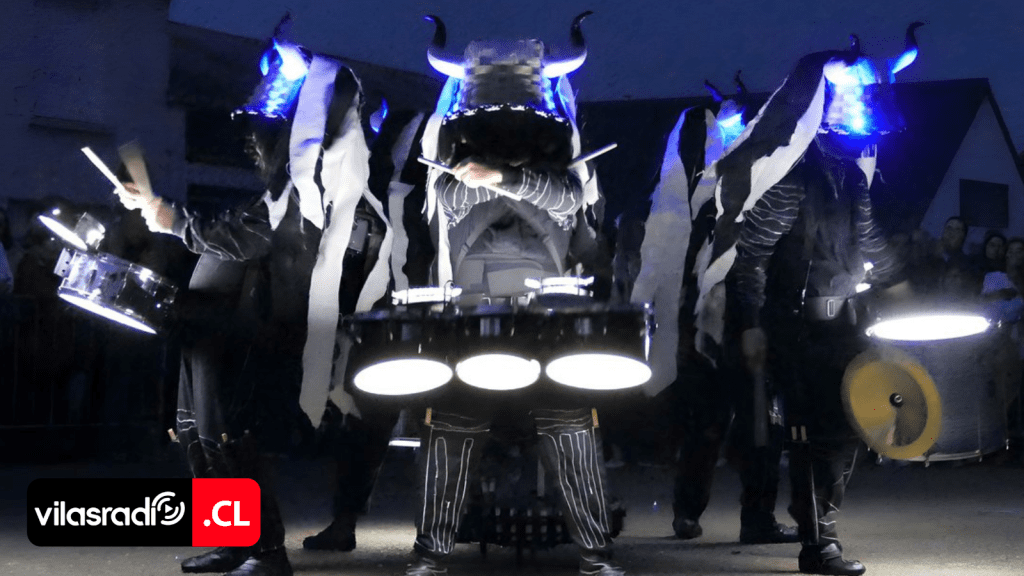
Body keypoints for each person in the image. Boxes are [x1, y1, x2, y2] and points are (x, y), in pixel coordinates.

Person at [116, 32, 394, 576]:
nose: (252, 141)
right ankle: (231, 542)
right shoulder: (287, 188)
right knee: (198, 434)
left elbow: (250, 236)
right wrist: (167, 216)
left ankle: (265, 551)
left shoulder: (318, 189)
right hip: (210, 326)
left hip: (247, 333)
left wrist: (174, 220)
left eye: (263, 130)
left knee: (230, 439)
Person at [689, 24, 924, 575]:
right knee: (813, 435)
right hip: (795, 332)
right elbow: (752, 258)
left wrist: (904, 294)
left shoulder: (852, 179)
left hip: (844, 328)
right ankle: (820, 545)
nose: (868, 137)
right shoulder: (791, 180)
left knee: (848, 430)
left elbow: (869, 241)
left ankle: (817, 527)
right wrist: (751, 325)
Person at [394, 13, 623, 576]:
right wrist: (482, 178)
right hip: (471, 322)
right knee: (452, 424)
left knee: (569, 424)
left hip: (549, 324)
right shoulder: (452, 177)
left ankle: (595, 552)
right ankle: (431, 552)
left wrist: (503, 179)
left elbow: (566, 200)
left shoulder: (560, 178)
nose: (507, 133)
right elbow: (451, 203)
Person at [632, 76, 796, 544]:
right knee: (706, 425)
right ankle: (687, 511)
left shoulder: (764, 187)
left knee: (761, 424)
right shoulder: (699, 193)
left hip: (750, 317)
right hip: (706, 320)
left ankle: (757, 518)